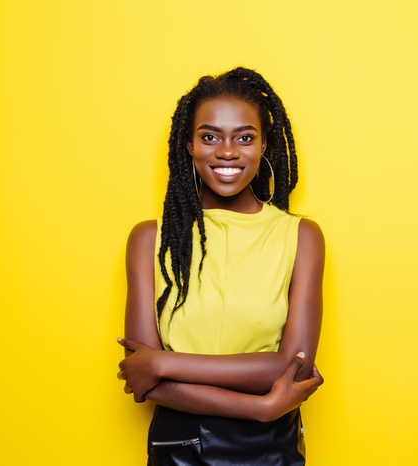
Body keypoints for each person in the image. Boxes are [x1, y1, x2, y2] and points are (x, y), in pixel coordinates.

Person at [116, 67, 325, 465]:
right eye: (209, 137)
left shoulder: (301, 237)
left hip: (272, 450)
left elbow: (291, 368)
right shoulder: (149, 239)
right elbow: (143, 380)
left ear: (264, 145)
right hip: (179, 447)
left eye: (244, 138)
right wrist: (259, 408)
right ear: (189, 145)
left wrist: (163, 361)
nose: (227, 152)